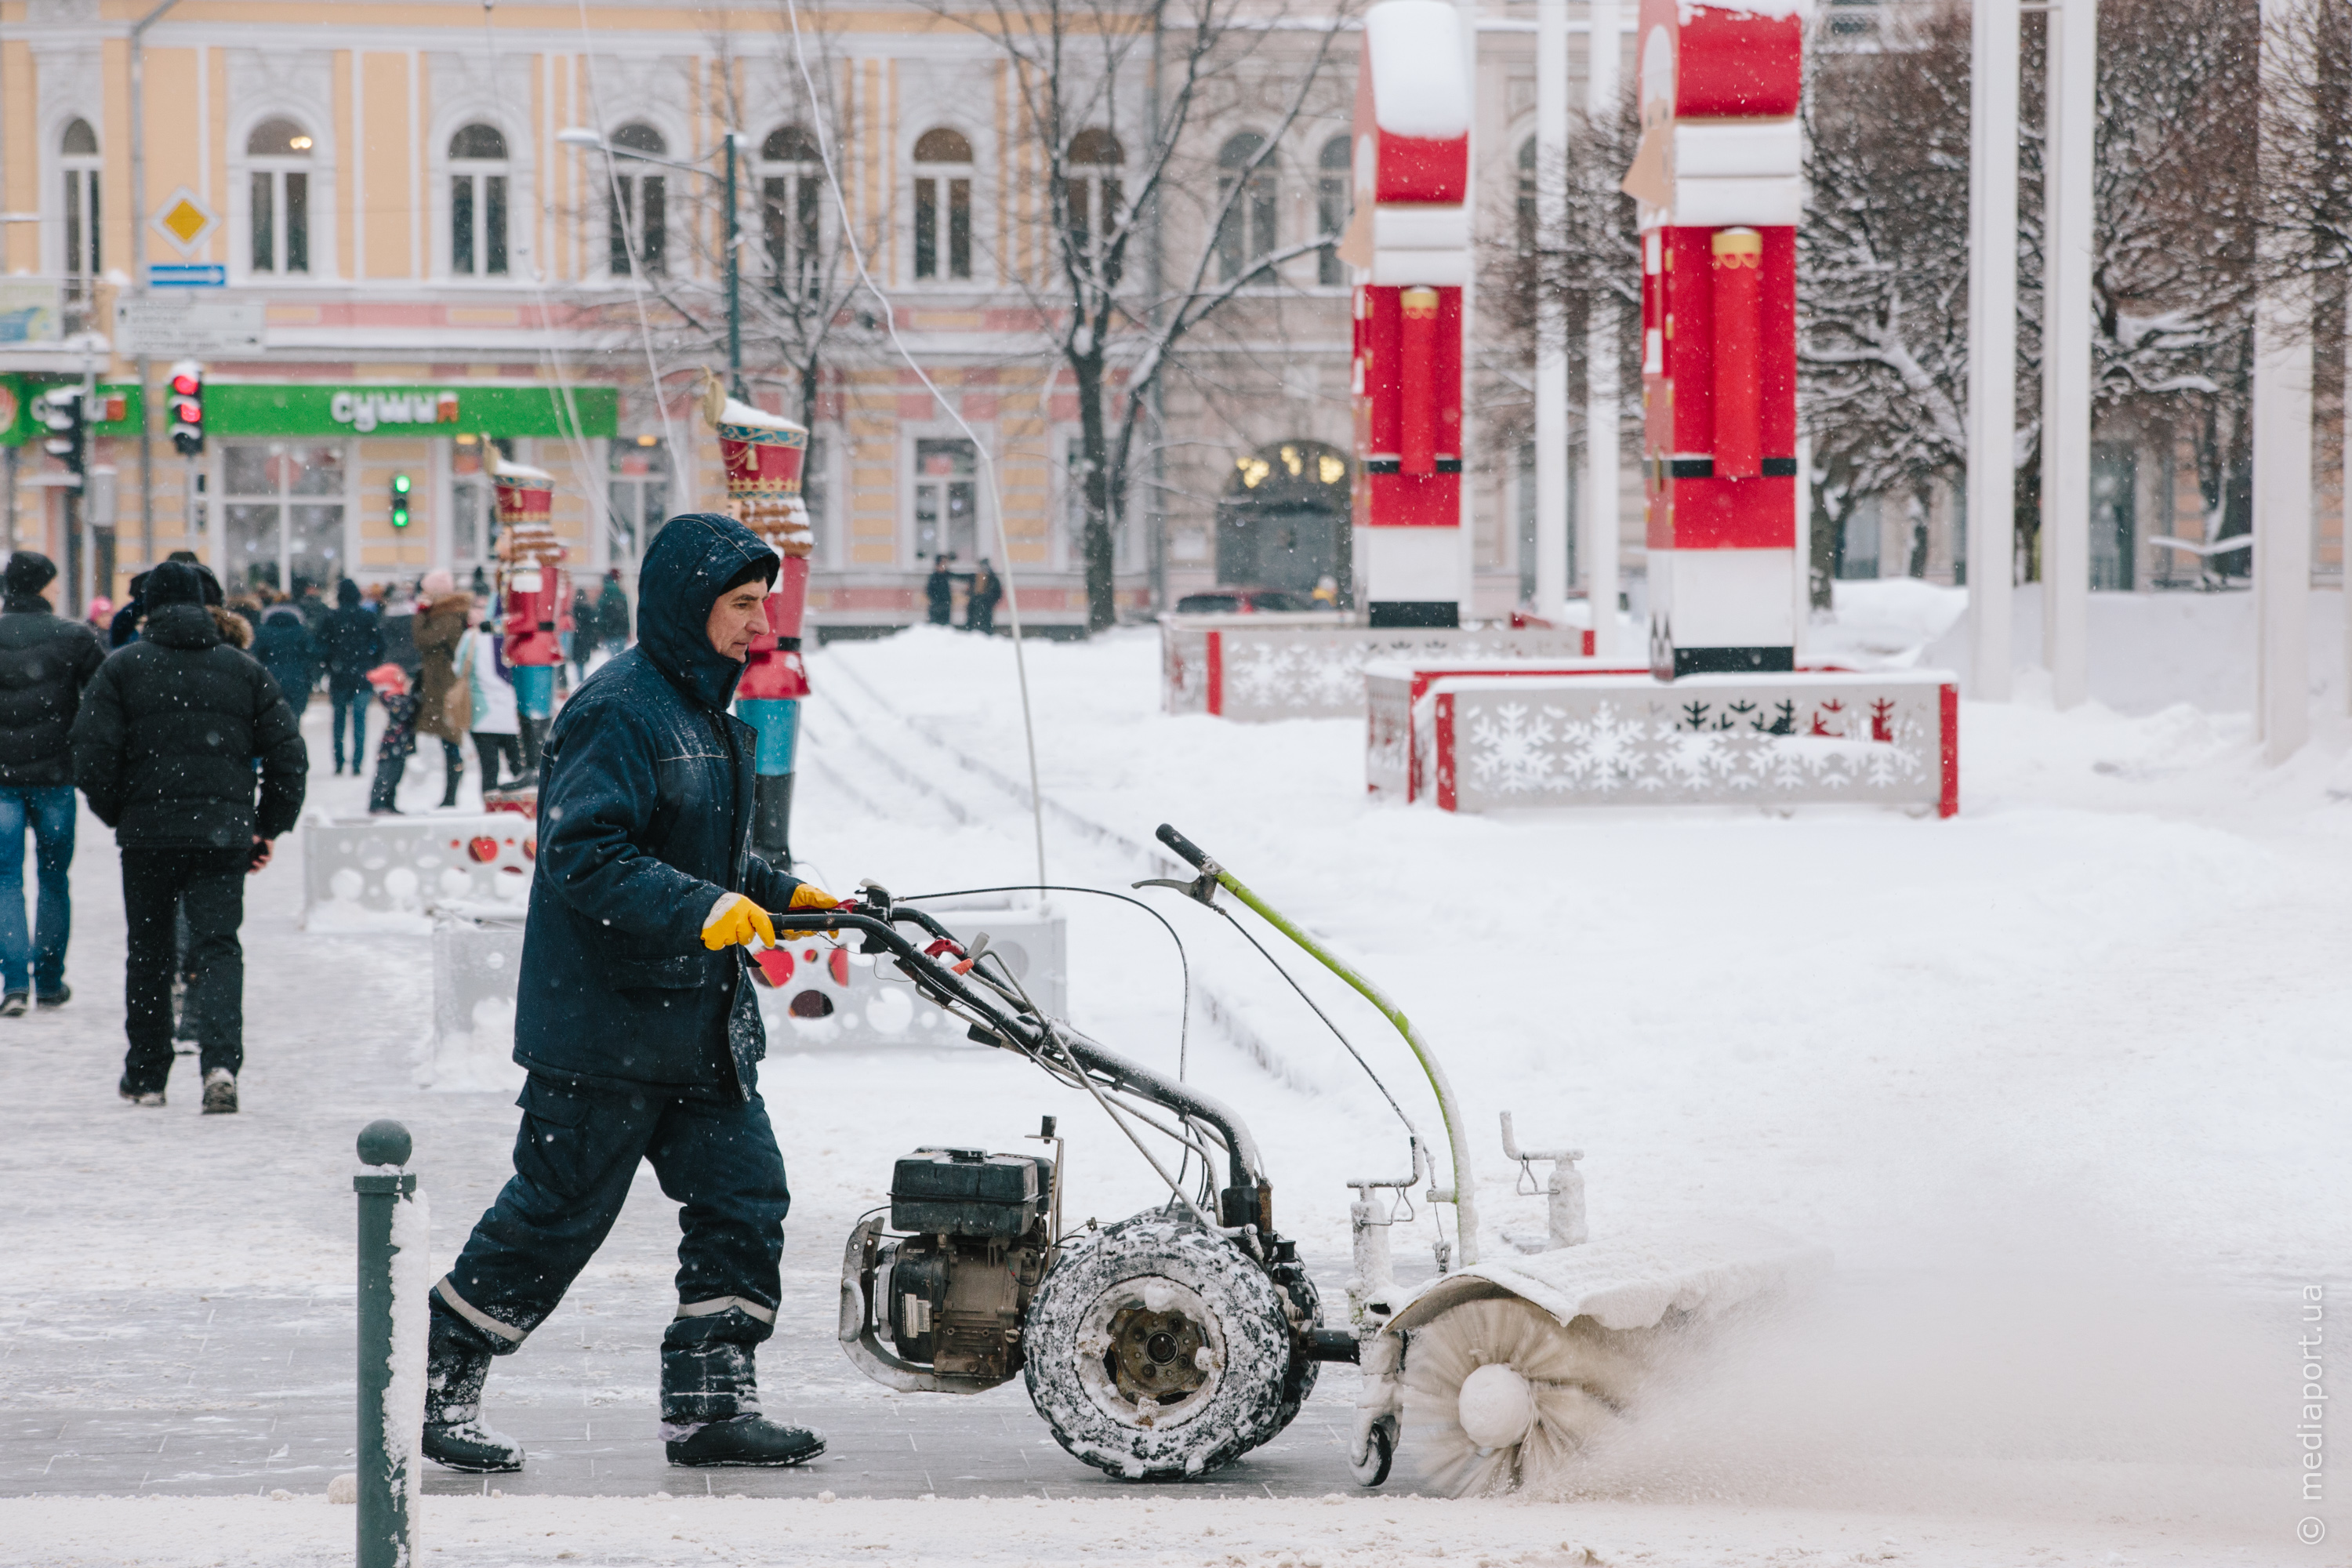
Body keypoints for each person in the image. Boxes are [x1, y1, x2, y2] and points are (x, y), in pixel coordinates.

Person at [423, 512, 837, 1475]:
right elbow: (585, 854)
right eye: (741, 605)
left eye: (760, 603)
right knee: (556, 1214)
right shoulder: (619, 709)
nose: (758, 622)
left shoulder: (701, 710)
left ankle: (711, 1406)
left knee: (745, 1196)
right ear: (691, 607)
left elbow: (712, 855)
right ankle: (438, 1382)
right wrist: (704, 908)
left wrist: (785, 894)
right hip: (603, 1025)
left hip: (698, 1027)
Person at [71, 559, 306, 1114]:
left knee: (148, 951)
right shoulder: (243, 670)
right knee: (219, 946)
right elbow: (288, 756)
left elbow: (91, 754)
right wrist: (265, 824)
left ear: (148, 607)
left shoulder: (122, 668)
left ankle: (148, 1075)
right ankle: (220, 1064)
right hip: (223, 834)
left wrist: (120, 813)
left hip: (148, 836)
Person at [0, 552, 104, 1014]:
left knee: (5, 881)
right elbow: (105, 698)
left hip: (1, 778)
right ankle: (49, 980)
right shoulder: (73, 638)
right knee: (53, 878)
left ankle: (14, 984)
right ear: (45, 586)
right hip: (55, 776)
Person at [413, 572, 473, 811]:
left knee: (451, 742)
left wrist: (420, 613)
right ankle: (450, 794)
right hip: (440, 684)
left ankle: (451, 795)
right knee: (449, 742)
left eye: (427, 592)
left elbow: (422, 639)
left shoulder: (447, 616)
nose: (423, 596)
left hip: (445, 687)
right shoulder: (445, 614)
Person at [320, 579, 383, 775]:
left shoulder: (331, 617)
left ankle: (338, 762)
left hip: (339, 675)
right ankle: (357, 763)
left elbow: (322, 645)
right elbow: (380, 643)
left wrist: (330, 664)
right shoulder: (367, 616)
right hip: (362, 675)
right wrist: (371, 663)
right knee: (359, 720)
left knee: (338, 720)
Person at [457, 608, 524, 793]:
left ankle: (490, 808)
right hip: (512, 713)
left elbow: (459, 667)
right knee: (519, 768)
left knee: (489, 769)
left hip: (482, 713)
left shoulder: (471, 637)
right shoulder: (514, 636)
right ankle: (521, 807)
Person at [365, 663, 419, 814]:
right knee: (387, 774)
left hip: (398, 744)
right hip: (393, 745)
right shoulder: (393, 698)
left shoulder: (397, 697)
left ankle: (388, 802)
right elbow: (404, 713)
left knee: (395, 775)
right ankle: (378, 802)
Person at [252, 602, 321, 712]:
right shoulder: (301, 632)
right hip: (297, 679)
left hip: (269, 678)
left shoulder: (261, 632)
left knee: (270, 717)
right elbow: (312, 654)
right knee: (294, 717)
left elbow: (255, 656)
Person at [597, 569, 632, 656]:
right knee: (621, 656)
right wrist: (628, 630)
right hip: (622, 631)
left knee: (612, 657)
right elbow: (628, 615)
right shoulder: (622, 594)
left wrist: (601, 631)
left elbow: (600, 616)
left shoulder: (604, 595)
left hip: (609, 632)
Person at [967, 557, 1002, 635]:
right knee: (975, 627)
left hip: (985, 608)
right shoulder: (975, 577)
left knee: (984, 628)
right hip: (976, 608)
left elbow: (997, 594)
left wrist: (988, 601)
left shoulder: (992, 579)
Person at [924, 555, 956, 626]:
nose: (945, 566)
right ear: (937, 565)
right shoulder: (934, 577)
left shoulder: (947, 575)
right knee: (935, 628)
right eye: (943, 563)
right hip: (937, 607)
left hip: (945, 606)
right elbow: (929, 591)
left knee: (945, 628)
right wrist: (936, 601)